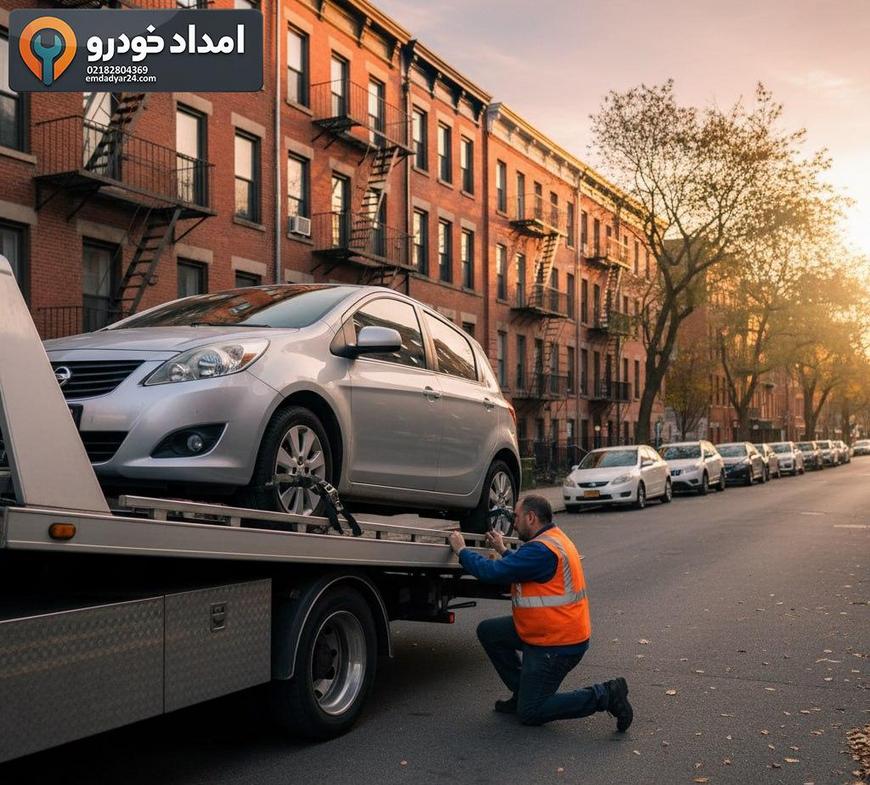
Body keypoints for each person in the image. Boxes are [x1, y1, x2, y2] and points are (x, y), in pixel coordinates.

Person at [447, 494, 633, 731]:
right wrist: (503, 549)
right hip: (547, 630)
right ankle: (522, 692)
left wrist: (462, 550)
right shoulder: (552, 539)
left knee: (531, 712)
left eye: (516, 516)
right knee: (489, 632)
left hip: (556, 643)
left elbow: (492, 572)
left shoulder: (541, 550)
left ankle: (605, 694)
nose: (513, 522)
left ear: (531, 518)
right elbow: (526, 567)